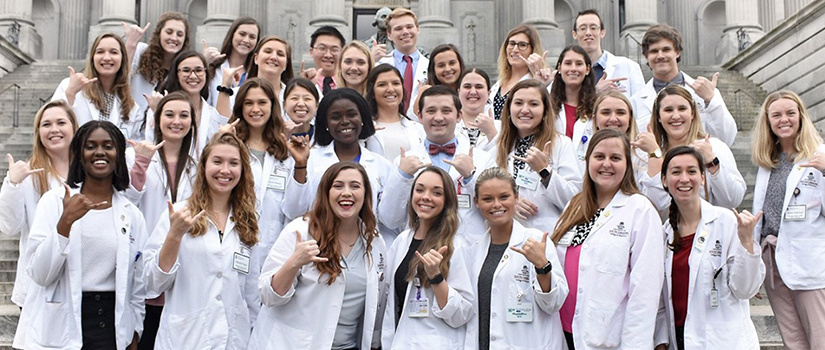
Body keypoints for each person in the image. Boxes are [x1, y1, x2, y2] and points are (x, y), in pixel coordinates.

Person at [14, 121, 146, 349]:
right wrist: (65, 222)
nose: (100, 152)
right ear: (79, 154)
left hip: (111, 326)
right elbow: (39, 273)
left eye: (108, 145)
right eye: (91, 146)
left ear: (119, 154)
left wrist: (133, 332)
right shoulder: (53, 202)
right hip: (59, 324)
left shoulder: (132, 215)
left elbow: (138, 284)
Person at [250, 162, 386, 349]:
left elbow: (376, 306)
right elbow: (268, 297)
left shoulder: (374, 242)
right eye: (338, 186)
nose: (346, 192)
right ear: (326, 193)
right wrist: (293, 263)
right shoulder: (300, 231)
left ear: (365, 194)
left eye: (355, 186)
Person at [143, 132, 261, 349]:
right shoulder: (179, 214)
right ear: (204, 166)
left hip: (234, 339)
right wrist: (174, 236)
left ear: (242, 170)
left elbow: (251, 292)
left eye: (233, 163)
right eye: (217, 161)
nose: (225, 170)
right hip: (186, 339)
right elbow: (153, 283)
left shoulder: (248, 220)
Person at [552, 129, 664, 349]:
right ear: (588, 161)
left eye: (615, 158)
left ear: (627, 165)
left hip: (608, 337)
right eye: (599, 156)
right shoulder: (574, 205)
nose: (606, 164)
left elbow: (645, 292)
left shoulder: (640, 210)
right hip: (564, 331)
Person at [653, 146, 764, 350]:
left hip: (723, 342)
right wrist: (661, 341)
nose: (684, 178)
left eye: (692, 171)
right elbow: (661, 300)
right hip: (680, 339)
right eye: (676, 172)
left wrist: (747, 242)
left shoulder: (727, 222)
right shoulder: (664, 233)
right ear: (664, 180)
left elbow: (745, 289)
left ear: (703, 178)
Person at [750, 90, 825, 349]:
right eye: (777, 115)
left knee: (820, 338)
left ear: (801, 117)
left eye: (790, 113)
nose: (784, 119)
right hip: (773, 261)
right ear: (768, 121)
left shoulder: (820, 155)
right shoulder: (767, 162)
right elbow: (761, 219)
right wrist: (754, 265)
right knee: (793, 340)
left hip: (809, 264)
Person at [124, 91, 198, 350]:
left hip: (184, 262)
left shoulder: (197, 166)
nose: (176, 121)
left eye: (183, 115)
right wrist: (141, 163)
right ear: (157, 119)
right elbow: (128, 201)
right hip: (144, 256)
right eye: (169, 114)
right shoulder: (137, 156)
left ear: (192, 122)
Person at [463, 167, 568, 350]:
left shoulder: (536, 241)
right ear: (477, 202)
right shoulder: (474, 251)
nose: (496, 205)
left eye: (504, 197)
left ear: (516, 197)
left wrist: (542, 266)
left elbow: (553, 303)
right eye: (488, 199)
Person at [380, 86, 495, 244]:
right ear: (420, 116)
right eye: (431, 111)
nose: (438, 117)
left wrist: (471, 177)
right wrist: (402, 177)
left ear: (459, 116)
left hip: (469, 250)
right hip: (419, 249)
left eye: (446, 111)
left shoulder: (482, 159)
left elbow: (496, 211)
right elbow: (389, 220)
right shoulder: (404, 162)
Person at [281, 88, 398, 243]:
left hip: (366, 250)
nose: (345, 121)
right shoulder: (310, 159)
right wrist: (301, 165)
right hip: (319, 246)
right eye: (335, 117)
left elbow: (390, 220)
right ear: (326, 124)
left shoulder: (382, 165)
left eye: (351, 114)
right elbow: (293, 211)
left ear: (362, 117)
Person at [380, 166, 474, 348]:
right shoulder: (401, 241)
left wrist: (436, 278)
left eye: (436, 192)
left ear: (447, 201)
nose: (426, 197)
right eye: (420, 189)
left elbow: (463, 314)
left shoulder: (456, 246)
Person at [1, 101, 77, 310]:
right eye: (46, 124)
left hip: (80, 284)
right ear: (38, 133)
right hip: (38, 288)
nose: (54, 129)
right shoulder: (27, 176)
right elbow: (10, 226)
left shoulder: (90, 173)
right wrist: (13, 184)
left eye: (61, 122)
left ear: (73, 127)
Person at [221, 78, 294, 268]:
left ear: (272, 106)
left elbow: (295, 205)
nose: (255, 109)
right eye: (248, 103)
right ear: (240, 108)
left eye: (262, 102)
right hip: (234, 238)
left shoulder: (285, 151)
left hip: (275, 241)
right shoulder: (229, 145)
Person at [492, 79, 582, 230]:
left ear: (545, 111)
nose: (525, 110)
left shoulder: (561, 144)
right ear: (509, 109)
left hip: (546, 234)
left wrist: (545, 172)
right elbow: (486, 194)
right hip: (506, 235)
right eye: (519, 103)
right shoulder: (499, 147)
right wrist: (510, 203)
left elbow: (573, 200)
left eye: (533, 104)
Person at [645, 84, 746, 214]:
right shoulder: (650, 154)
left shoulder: (714, 147)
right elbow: (656, 203)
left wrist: (712, 163)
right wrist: (655, 154)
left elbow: (733, 200)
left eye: (682, 109)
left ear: (692, 113)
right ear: (658, 116)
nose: (676, 116)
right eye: (668, 110)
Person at [630, 24, 736, 146]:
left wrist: (711, 100)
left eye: (666, 49)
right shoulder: (636, 102)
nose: (660, 56)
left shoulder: (706, 94)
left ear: (678, 52)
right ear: (646, 57)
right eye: (654, 51)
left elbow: (727, 138)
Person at [52, 33, 141, 140]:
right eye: (100, 52)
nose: (107, 57)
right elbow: (52, 122)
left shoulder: (132, 107)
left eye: (114, 52)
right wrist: (70, 93)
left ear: (123, 59)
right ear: (92, 58)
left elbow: (133, 146)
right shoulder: (69, 86)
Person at [148, 50, 227, 155]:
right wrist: (157, 113)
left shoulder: (211, 114)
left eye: (198, 70)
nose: (193, 76)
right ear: (176, 74)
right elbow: (151, 143)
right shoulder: (159, 106)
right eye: (186, 70)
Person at [125, 12, 190, 128]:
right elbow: (121, 76)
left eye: (180, 34)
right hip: (127, 126)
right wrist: (130, 45)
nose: (174, 38)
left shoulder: (184, 69)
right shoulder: (140, 51)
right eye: (169, 32)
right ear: (159, 33)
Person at [571, 9, 645, 97]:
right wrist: (595, 93)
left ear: (602, 33)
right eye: (583, 28)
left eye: (593, 28)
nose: (588, 33)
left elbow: (641, 106)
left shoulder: (629, 67)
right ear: (574, 34)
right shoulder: (568, 72)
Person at [218, 35, 294, 116]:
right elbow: (221, 124)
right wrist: (225, 86)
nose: (273, 57)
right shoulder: (237, 95)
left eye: (280, 54)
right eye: (268, 51)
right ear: (256, 58)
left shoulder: (293, 97)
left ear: (286, 64)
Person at [373, 8, 429, 117]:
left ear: (417, 29)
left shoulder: (430, 66)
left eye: (409, 27)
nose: (405, 32)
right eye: (398, 28)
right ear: (389, 34)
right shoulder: (379, 65)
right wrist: (371, 61)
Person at [364, 64, 426, 161]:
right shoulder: (364, 129)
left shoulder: (418, 129)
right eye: (382, 84)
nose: (391, 89)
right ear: (372, 92)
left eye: (395, 83)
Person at [549, 45, 597, 169]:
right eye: (568, 63)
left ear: (587, 69)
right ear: (559, 68)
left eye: (579, 64)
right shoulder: (547, 106)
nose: (573, 69)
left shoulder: (597, 107)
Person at [490, 25, 551, 121]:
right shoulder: (499, 84)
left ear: (532, 50)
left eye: (522, 45)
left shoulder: (540, 81)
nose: (515, 50)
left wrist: (540, 83)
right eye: (511, 44)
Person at [204, 17, 260, 107]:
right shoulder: (213, 69)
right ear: (232, 35)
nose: (246, 40)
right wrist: (202, 63)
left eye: (252, 37)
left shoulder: (258, 73)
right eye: (242, 34)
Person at [412, 44, 466, 116]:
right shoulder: (424, 92)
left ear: (460, 64)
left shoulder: (472, 90)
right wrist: (421, 98)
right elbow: (416, 119)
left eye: (452, 63)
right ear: (433, 70)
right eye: (441, 65)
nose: (447, 69)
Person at [457, 68, 498, 149]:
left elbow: (505, 158)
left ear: (489, 93)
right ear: (458, 92)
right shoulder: (448, 124)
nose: (473, 92)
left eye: (479, 87)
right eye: (467, 86)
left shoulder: (501, 127)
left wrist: (491, 133)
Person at [300, 26, 346, 95]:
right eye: (322, 48)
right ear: (311, 52)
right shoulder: (305, 83)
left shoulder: (348, 84)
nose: (328, 55)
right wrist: (305, 85)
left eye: (334, 49)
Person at [283, 78, 320, 143]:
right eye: (294, 98)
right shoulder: (272, 136)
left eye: (307, 99)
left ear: (316, 105)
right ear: (284, 104)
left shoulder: (326, 138)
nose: (301, 104)